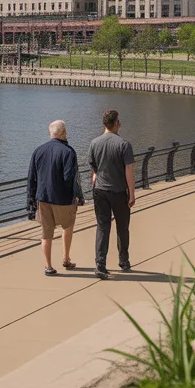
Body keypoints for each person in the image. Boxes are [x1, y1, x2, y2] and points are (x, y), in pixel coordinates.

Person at [27, 120, 85, 276]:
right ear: (64, 132)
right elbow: (69, 178)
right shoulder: (68, 152)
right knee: (68, 226)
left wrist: (33, 197)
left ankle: (48, 266)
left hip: (43, 197)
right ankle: (66, 258)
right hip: (62, 198)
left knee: (46, 233)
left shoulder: (38, 151)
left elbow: (32, 177)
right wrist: (76, 196)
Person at [88, 109, 136, 280]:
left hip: (100, 191)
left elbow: (93, 168)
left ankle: (100, 264)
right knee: (122, 227)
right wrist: (132, 193)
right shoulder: (124, 144)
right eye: (119, 121)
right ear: (116, 123)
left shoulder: (94, 143)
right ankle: (123, 260)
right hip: (118, 191)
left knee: (102, 226)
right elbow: (128, 170)